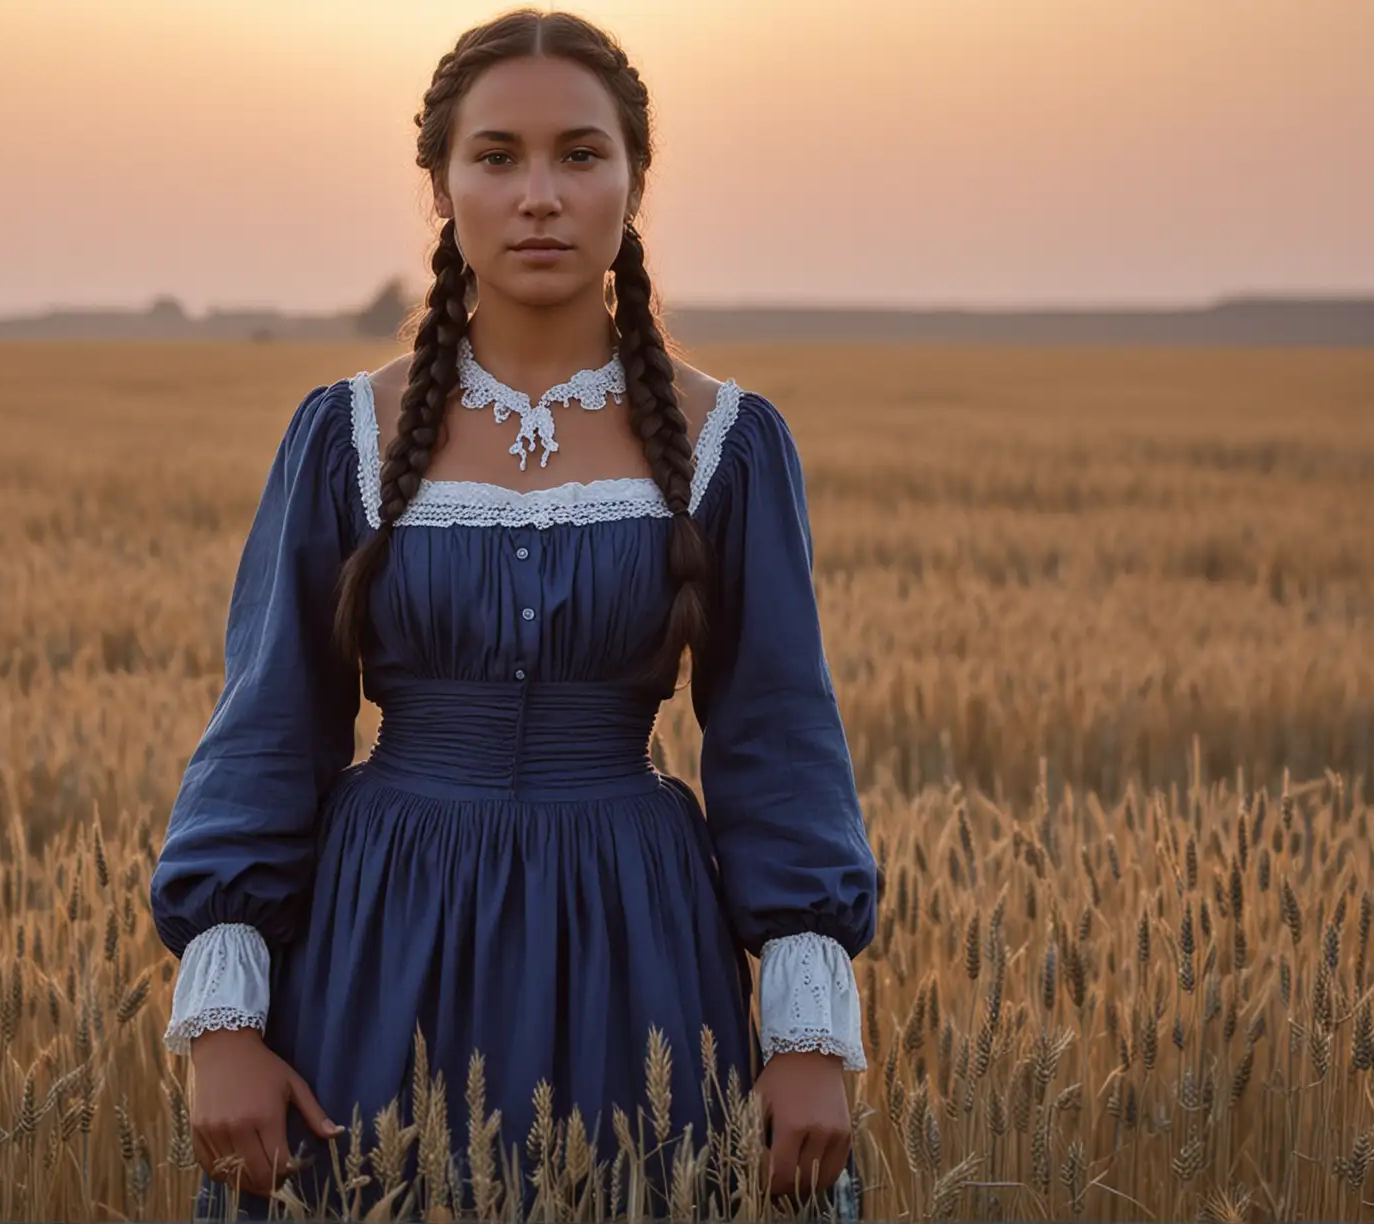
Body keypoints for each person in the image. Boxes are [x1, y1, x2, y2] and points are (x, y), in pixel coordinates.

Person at [148, 9, 879, 1220]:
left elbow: (780, 735)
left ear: (635, 181)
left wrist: (806, 1035)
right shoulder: (344, 434)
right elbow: (270, 724)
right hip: (385, 931)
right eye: (498, 157)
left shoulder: (731, 443)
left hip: (634, 935)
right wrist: (224, 1021)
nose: (540, 193)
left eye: (580, 155)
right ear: (440, 185)